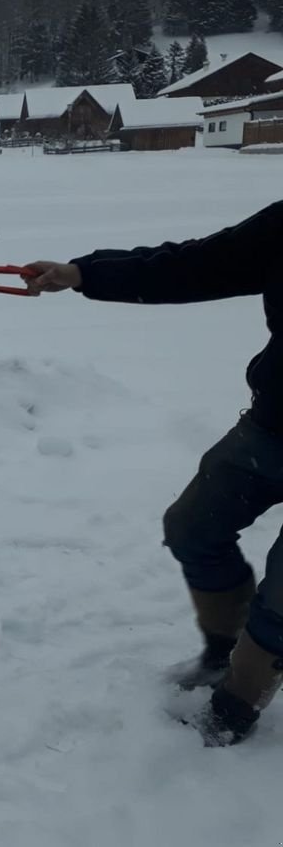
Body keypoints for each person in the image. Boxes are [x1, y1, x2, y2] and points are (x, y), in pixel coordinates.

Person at [25, 200, 283, 747]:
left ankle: (235, 707)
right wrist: (84, 273)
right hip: (273, 427)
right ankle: (224, 648)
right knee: (193, 527)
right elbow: (196, 264)